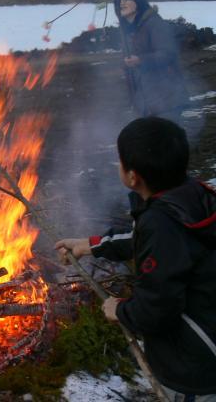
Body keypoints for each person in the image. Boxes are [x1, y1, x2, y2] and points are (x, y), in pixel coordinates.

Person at [55, 117, 216, 400]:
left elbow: (158, 308)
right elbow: (144, 238)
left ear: (132, 177)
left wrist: (121, 311)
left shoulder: (160, 222)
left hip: (196, 360)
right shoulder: (188, 197)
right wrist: (90, 245)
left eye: (120, 162)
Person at [114, 0, 189, 120]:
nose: (121, 3)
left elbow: (167, 54)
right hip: (145, 101)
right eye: (119, 1)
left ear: (138, 3)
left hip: (166, 97)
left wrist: (141, 60)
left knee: (167, 137)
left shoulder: (154, 23)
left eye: (126, 0)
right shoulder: (127, 31)